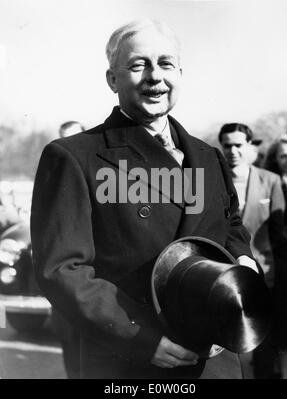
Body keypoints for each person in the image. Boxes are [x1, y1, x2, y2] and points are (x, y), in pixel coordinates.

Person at [31, 19, 262, 379]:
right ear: (112, 79)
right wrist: (139, 337)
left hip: (215, 357)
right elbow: (61, 269)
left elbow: (229, 223)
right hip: (130, 361)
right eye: (138, 65)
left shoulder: (208, 156)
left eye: (166, 64)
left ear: (180, 73)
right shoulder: (75, 157)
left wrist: (244, 262)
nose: (155, 76)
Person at [218, 122, 285, 378]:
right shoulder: (215, 181)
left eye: (238, 145)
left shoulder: (270, 181)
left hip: (263, 274)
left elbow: (277, 233)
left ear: (249, 146)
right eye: (227, 145)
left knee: (264, 342)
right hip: (226, 275)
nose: (233, 151)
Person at [50, 121, 86, 379]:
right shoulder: (52, 176)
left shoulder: (99, 174)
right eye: (63, 140)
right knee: (72, 359)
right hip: (65, 285)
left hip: (93, 286)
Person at [264, 136, 287, 379]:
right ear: (275, 159)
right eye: (283, 156)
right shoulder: (272, 183)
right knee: (286, 321)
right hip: (283, 260)